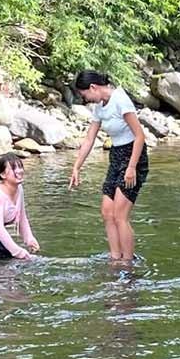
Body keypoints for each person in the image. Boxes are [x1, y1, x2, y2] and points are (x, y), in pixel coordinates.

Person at [68, 70, 148, 264]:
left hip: (134, 157)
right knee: (106, 211)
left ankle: (127, 263)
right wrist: (76, 167)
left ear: (93, 87)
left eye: (84, 94)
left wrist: (131, 168)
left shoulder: (120, 100)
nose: (85, 99)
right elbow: (89, 139)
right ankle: (115, 258)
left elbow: (140, 136)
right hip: (116, 156)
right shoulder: (99, 107)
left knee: (120, 214)